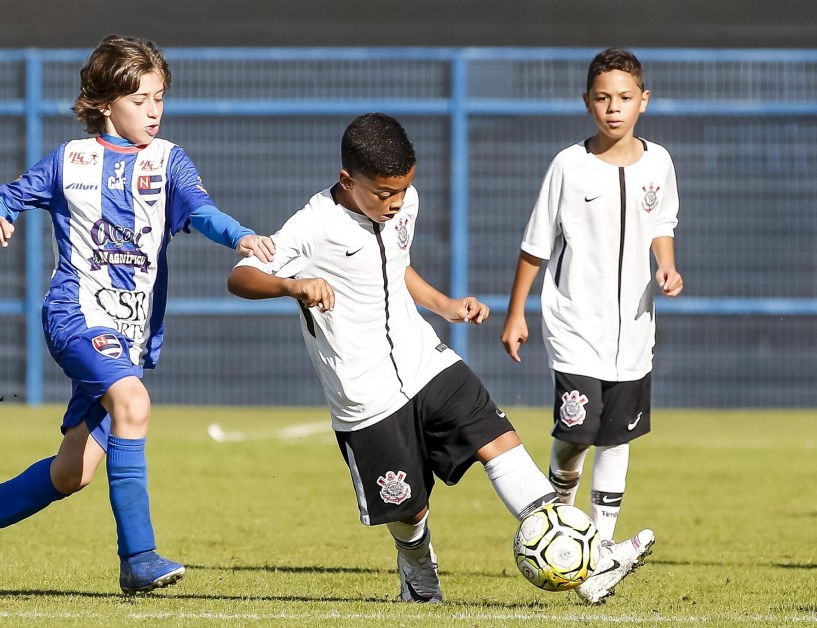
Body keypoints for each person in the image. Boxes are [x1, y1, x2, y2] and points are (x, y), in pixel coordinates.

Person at [227, 112, 646, 604]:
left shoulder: (405, 203)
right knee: (409, 510)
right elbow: (241, 276)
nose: (397, 202)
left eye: (404, 189)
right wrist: (291, 285)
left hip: (424, 358)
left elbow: (396, 267)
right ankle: (417, 571)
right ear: (347, 180)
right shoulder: (313, 225)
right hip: (365, 391)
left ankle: (591, 564)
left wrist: (444, 305)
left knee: (499, 441)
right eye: (384, 193)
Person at [0, 34, 275, 594]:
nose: (154, 110)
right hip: (75, 313)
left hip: (130, 333)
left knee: (71, 473)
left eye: (160, 98)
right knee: (133, 401)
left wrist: (241, 235)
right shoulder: (69, 161)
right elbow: (6, 196)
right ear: (104, 104)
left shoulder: (169, 160)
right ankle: (138, 558)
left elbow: (203, 213)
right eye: (141, 99)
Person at [500, 47, 680, 601]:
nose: (613, 107)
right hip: (575, 326)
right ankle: (562, 523)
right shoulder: (568, 165)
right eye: (602, 98)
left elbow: (662, 222)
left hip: (635, 330)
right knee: (576, 437)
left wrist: (667, 265)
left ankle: (598, 553)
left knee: (618, 438)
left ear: (643, 102)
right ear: (587, 102)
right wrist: (516, 315)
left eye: (625, 98)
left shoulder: (659, 163)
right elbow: (536, 244)